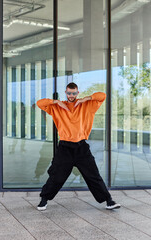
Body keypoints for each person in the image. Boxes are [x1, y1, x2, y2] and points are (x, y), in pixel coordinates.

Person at [36, 82, 121, 211]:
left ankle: (109, 201)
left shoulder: (87, 105)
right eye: (69, 93)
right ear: (66, 93)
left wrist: (86, 98)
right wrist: (56, 102)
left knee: (93, 175)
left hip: (81, 147)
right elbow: (40, 103)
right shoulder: (57, 107)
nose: (71, 95)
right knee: (56, 176)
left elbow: (102, 96)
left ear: (77, 93)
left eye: (74, 93)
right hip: (65, 147)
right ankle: (44, 200)